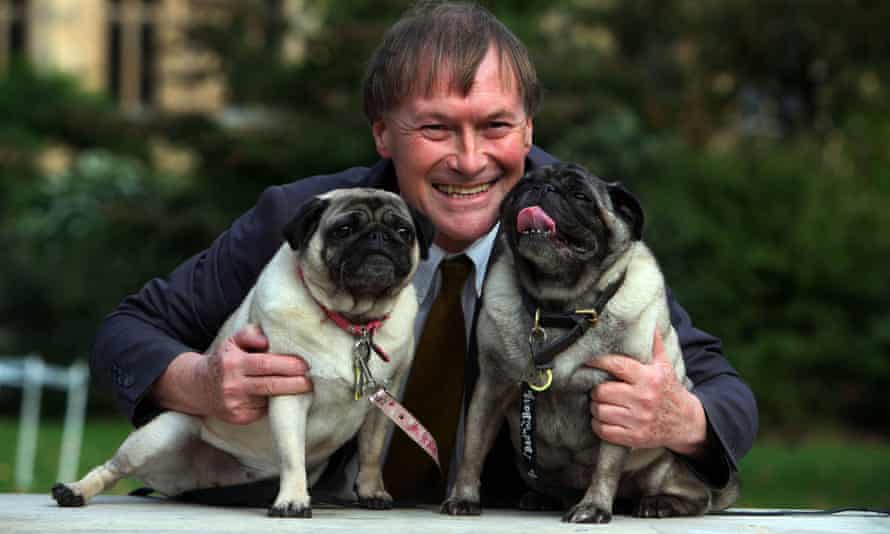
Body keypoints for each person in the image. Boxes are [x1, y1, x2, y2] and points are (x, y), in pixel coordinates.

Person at [90, 1, 757, 508]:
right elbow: (125, 334)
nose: (469, 161)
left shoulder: (587, 232)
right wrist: (201, 382)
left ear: (529, 129)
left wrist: (682, 417)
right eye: (435, 127)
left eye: (495, 126)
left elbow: (724, 392)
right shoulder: (304, 219)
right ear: (383, 132)